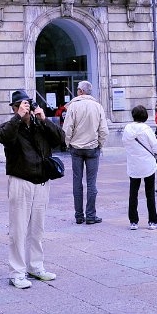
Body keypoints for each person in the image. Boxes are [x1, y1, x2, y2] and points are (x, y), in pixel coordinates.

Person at [0, 89, 65, 289]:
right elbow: (3, 137)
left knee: (37, 229)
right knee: (18, 230)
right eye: (21, 106)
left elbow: (60, 139)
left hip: (42, 181)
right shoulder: (10, 127)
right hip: (21, 180)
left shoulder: (39, 125)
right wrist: (18, 118)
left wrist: (44, 119)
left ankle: (36, 266)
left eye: (27, 105)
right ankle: (17, 272)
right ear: (15, 108)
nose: (26, 109)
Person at [62, 80, 109, 224]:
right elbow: (104, 130)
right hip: (92, 148)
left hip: (76, 148)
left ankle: (79, 215)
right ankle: (91, 215)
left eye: (78, 89)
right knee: (91, 183)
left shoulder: (73, 106)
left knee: (77, 182)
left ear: (81, 91)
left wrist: (67, 144)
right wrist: (99, 144)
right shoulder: (97, 106)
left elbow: (67, 129)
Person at [121, 104, 157, 230]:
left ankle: (133, 221)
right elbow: (155, 146)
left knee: (133, 193)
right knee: (150, 193)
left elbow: (125, 143)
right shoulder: (146, 129)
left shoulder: (127, 129)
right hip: (147, 164)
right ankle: (152, 221)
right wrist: (156, 153)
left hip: (133, 164)